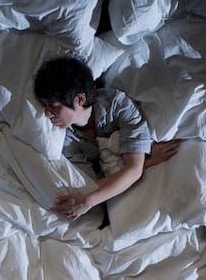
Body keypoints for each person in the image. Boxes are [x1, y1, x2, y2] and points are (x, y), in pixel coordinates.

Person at [33, 56, 179, 220]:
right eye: (45, 106)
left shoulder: (117, 105)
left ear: (79, 100)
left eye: (53, 106)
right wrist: (146, 161)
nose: (47, 114)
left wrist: (87, 201)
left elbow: (133, 170)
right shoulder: (67, 140)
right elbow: (92, 185)